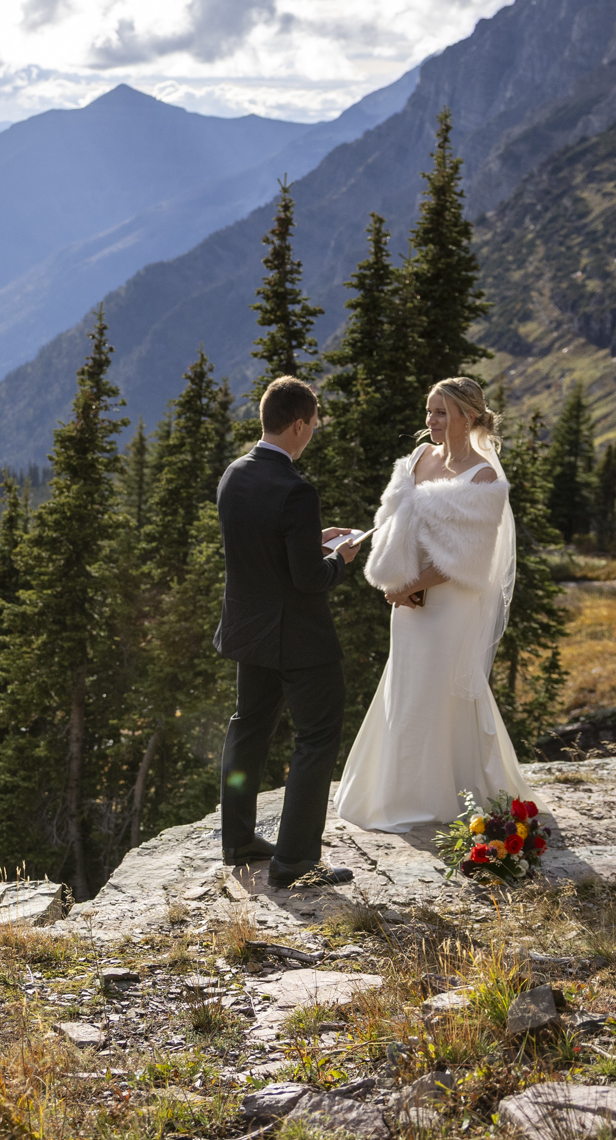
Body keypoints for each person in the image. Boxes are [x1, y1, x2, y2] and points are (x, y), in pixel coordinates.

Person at [332, 376, 528, 832]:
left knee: (438, 692)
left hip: (448, 605)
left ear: (469, 416)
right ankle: (394, 789)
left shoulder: (483, 476)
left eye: (441, 412)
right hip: (407, 600)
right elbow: (395, 520)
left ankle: (439, 797)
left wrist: (410, 585)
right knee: (406, 686)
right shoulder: (418, 458)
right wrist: (371, 551)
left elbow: (468, 559)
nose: (431, 420)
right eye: (429, 411)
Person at [213, 375, 361, 889]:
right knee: (316, 737)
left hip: (248, 632)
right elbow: (308, 579)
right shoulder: (296, 490)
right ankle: (295, 861)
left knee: (247, 730)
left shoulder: (235, 474)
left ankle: (237, 841)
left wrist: (308, 539)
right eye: (313, 426)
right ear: (298, 424)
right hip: (299, 639)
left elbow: (256, 545)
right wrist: (339, 559)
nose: (312, 434)